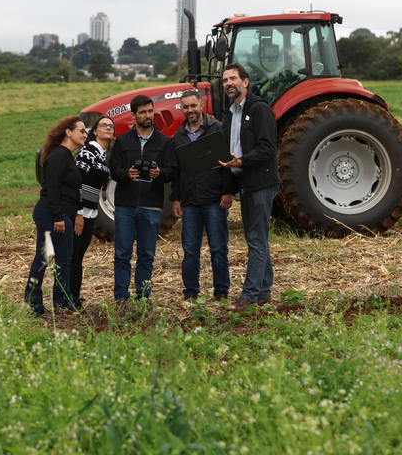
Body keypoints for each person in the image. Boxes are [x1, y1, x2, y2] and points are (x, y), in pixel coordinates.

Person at [218, 62, 280, 310]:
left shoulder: (259, 109)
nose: (228, 83)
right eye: (224, 80)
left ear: (245, 82)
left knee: (255, 240)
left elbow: (267, 148)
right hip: (245, 182)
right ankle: (264, 292)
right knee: (258, 239)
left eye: (233, 78)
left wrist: (242, 161)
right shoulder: (230, 113)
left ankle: (250, 295)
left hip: (261, 183)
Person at [108, 94, 177, 302]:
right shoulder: (121, 141)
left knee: (146, 255)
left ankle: (143, 297)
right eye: (143, 112)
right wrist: (126, 174)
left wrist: (160, 174)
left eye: (150, 111)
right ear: (133, 115)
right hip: (125, 206)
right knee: (122, 255)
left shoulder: (165, 142)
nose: (148, 115)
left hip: (151, 206)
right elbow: (114, 170)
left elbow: (172, 170)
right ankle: (121, 297)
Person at [170, 89, 234, 300]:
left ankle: (221, 292)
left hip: (214, 199)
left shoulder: (218, 128)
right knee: (190, 251)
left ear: (201, 105)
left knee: (218, 249)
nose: (190, 110)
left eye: (193, 106)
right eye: (185, 107)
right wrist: (177, 198)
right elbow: (176, 170)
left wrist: (227, 192)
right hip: (189, 202)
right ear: (182, 109)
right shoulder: (178, 136)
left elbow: (228, 164)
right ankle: (191, 293)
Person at [24, 116, 87, 316]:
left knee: (44, 258)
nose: (86, 135)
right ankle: (61, 305)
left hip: (55, 213)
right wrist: (58, 216)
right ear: (68, 132)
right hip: (52, 213)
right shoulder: (59, 155)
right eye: (82, 131)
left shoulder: (67, 155)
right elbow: (51, 188)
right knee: (63, 259)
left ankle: (35, 305)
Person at [69, 116, 114, 309]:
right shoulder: (88, 151)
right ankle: (65, 298)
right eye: (103, 125)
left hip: (90, 212)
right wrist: (78, 212)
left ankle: (75, 297)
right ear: (95, 131)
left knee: (79, 256)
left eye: (111, 126)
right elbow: (76, 181)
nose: (108, 128)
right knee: (72, 256)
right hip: (79, 212)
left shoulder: (102, 153)